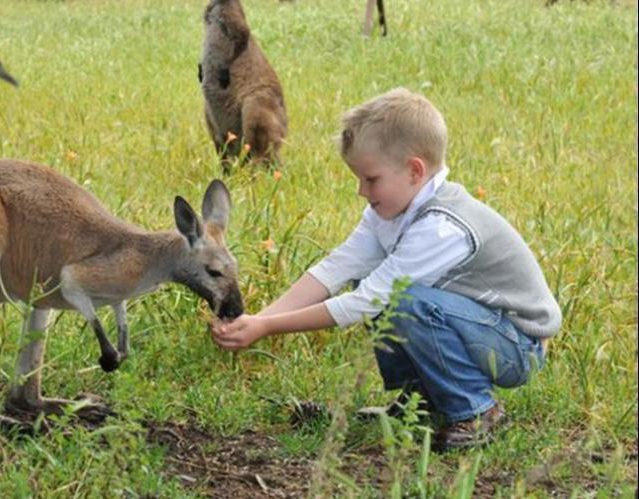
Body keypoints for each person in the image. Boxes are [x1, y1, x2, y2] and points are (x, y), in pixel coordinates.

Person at [210, 87, 562, 451]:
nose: (362, 191)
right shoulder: (390, 212)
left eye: (371, 179)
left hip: (516, 344)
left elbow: (364, 303)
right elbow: (336, 268)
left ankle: (476, 409)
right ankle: (419, 402)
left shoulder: (443, 226)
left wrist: (267, 328)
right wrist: (257, 319)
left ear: (414, 171)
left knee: (398, 297)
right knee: (379, 284)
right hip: (478, 326)